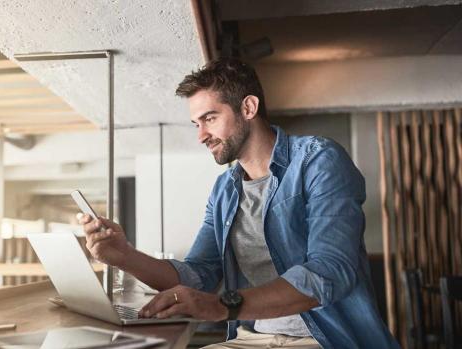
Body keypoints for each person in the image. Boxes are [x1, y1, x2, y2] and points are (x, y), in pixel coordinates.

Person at [80, 58, 399, 349]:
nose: (201, 135)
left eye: (210, 118)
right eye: (197, 124)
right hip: (251, 338)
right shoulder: (225, 189)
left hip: (324, 339)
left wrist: (222, 305)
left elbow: (331, 270)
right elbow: (198, 275)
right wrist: (124, 256)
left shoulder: (318, 160)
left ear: (248, 107)